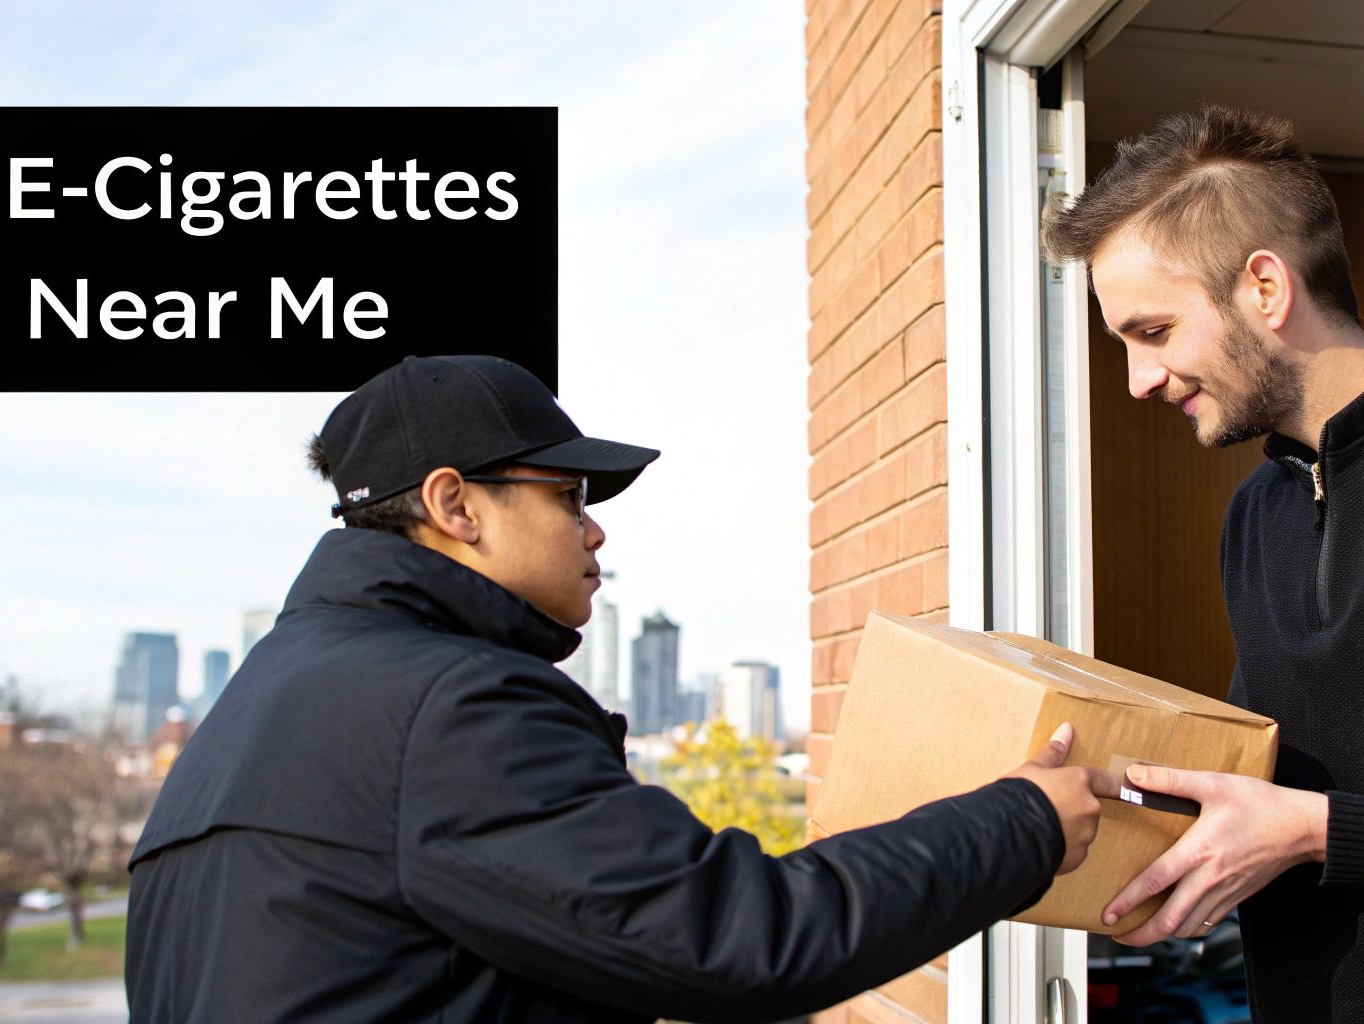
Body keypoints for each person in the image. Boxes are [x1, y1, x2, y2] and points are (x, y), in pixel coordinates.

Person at [124, 354, 1120, 1023]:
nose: (594, 531)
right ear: (453, 504)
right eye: (566, 496)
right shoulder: (446, 707)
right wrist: (1022, 822)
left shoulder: (255, 715)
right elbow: (745, 939)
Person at [1041, 107, 1364, 1023]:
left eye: (1152, 332)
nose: (1138, 381)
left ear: (1266, 288)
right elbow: (1258, 774)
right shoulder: (1256, 511)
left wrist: (1320, 834)